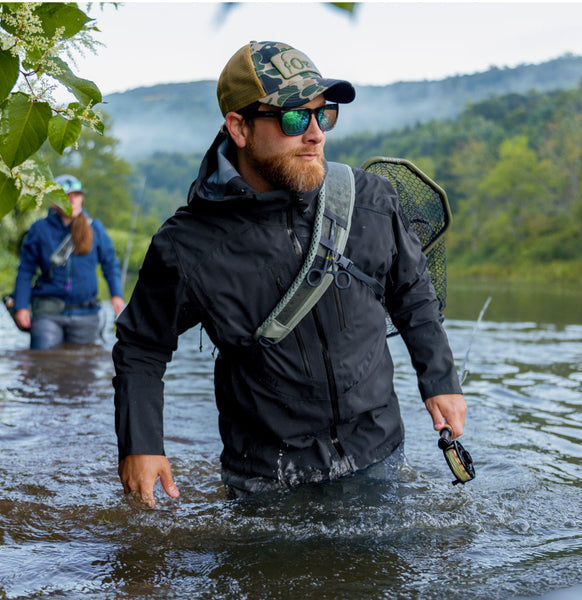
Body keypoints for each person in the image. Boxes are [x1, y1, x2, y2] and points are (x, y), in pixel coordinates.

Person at [113, 41, 466, 507]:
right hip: (266, 482)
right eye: (294, 118)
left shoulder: (372, 199)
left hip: (379, 453)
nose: (316, 134)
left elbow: (413, 293)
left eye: (325, 115)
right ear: (238, 128)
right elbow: (141, 346)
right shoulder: (187, 245)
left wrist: (440, 379)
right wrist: (142, 444)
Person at [13, 174, 125, 349]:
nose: (72, 200)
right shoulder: (39, 229)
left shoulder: (95, 228)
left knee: (83, 368)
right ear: (53, 202)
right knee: (43, 363)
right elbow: (26, 271)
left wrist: (116, 295)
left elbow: (109, 263)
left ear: (82, 199)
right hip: (48, 313)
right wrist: (21, 306)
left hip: (87, 314)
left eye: (77, 195)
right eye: (65, 196)